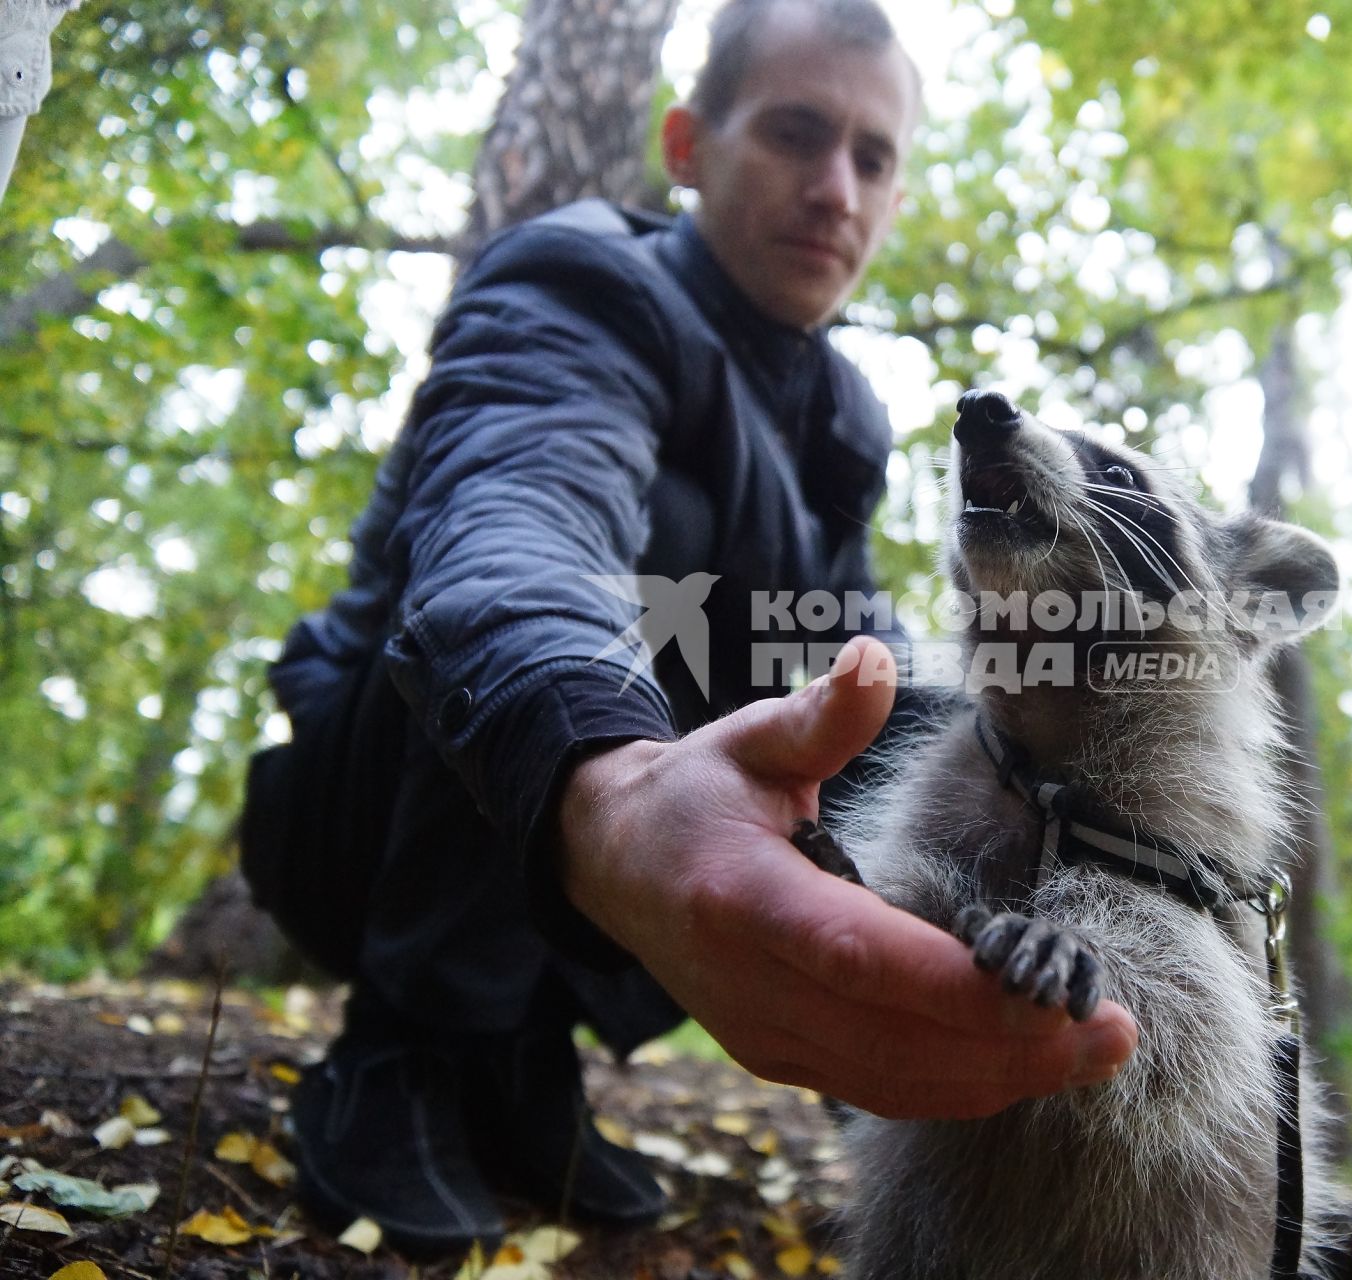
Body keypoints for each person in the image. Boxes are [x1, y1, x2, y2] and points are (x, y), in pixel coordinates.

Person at [239, 0, 1139, 1257]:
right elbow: (515, 536)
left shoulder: (839, 416)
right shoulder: (579, 280)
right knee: (614, 592)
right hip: (368, 809)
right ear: (685, 146)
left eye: (872, 158)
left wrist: (1083, 814)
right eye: (794, 132)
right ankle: (405, 1045)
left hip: (634, 832)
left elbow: (848, 659)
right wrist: (613, 784)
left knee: (923, 716)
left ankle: (516, 1061)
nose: (836, 188)